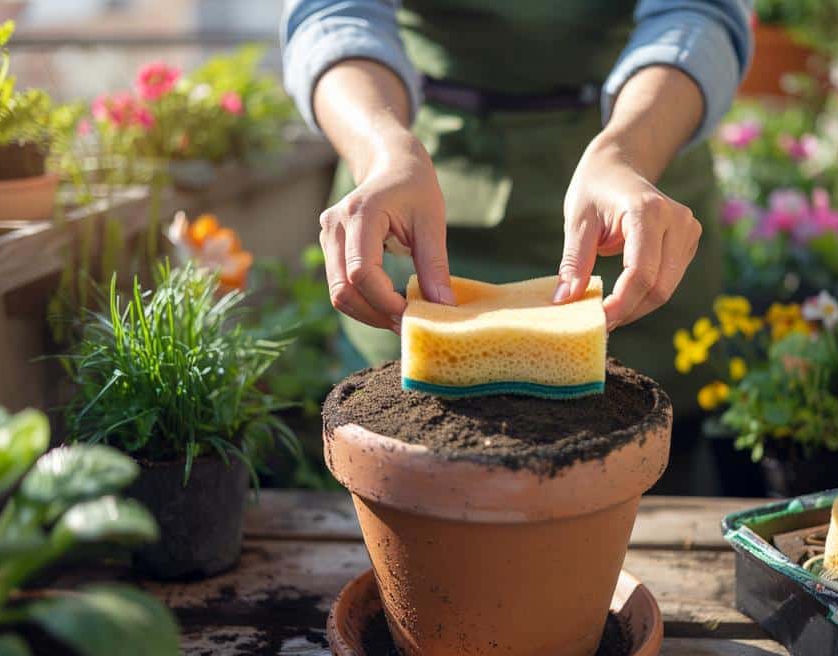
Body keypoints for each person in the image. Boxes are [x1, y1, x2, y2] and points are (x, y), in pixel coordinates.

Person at [281, 0, 752, 493]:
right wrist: (381, 152)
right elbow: (333, 13)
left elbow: (699, 13)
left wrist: (628, 152)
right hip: (417, 195)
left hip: (628, 192)